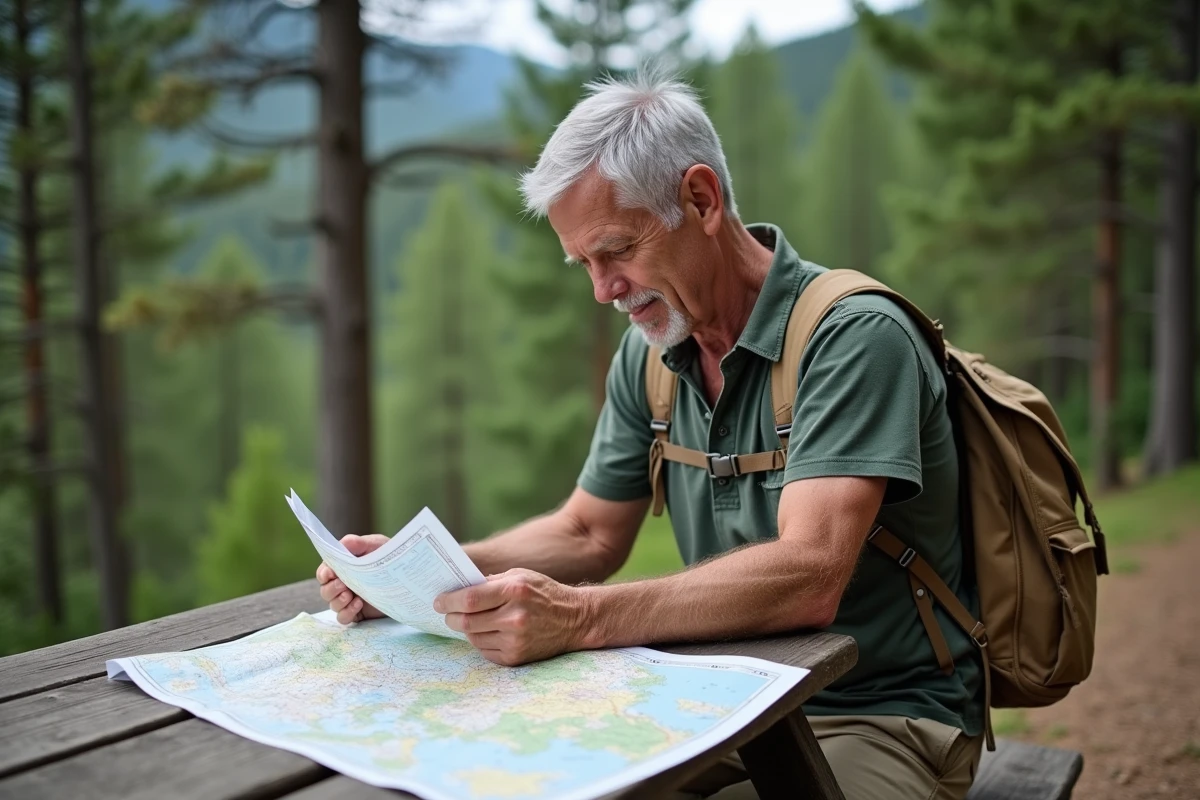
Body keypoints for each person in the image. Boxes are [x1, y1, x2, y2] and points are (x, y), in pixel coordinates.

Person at [316, 70, 985, 800]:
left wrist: (578, 617)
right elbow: (586, 533)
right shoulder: (652, 356)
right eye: (584, 264)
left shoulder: (853, 337)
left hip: (876, 717)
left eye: (616, 251)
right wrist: (424, 576)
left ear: (700, 200)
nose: (602, 289)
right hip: (720, 702)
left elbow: (809, 573)